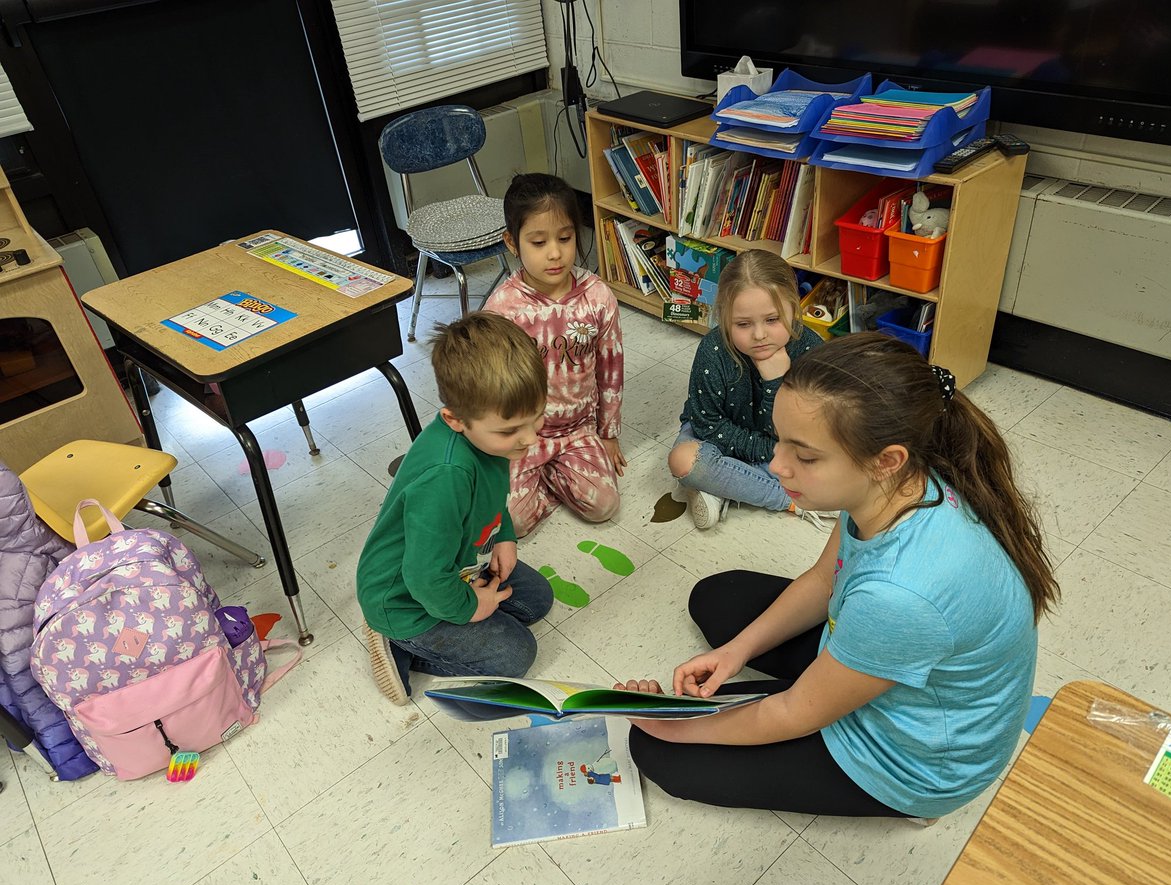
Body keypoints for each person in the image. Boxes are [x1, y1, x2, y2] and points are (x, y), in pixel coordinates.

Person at [621, 333, 1058, 820]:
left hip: (915, 761)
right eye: (780, 440)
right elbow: (825, 581)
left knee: (656, 749)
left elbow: (794, 714)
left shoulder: (901, 595)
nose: (776, 465)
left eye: (805, 457)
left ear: (884, 459)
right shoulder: (902, 483)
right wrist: (734, 652)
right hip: (875, 647)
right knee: (717, 599)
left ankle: (908, 802)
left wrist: (672, 727)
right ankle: (808, 674)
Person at [356, 312, 554, 705]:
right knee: (516, 656)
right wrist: (470, 607)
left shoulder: (488, 437)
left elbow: (493, 498)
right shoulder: (445, 478)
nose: (530, 438)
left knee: (537, 600)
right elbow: (424, 576)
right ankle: (398, 642)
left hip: (458, 564)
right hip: (406, 598)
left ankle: (456, 615)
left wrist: (505, 537)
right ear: (454, 420)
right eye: (510, 430)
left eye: (536, 419)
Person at [484, 172, 624, 537]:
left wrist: (608, 434)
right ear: (512, 243)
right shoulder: (503, 309)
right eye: (538, 241)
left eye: (565, 238)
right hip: (524, 436)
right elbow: (492, 386)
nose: (554, 253)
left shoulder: (597, 297)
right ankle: (547, 482)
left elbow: (611, 369)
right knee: (509, 524)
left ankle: (555, 477)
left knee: (604, 505)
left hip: (579, 430)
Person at [667, 249, 826, 530]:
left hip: (784, 443)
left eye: (772, 320)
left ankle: (727, 485)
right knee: (683, 460)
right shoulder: (713, 350)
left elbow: (806, 430)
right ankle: (786, 499)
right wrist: (771, 451)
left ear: (794, 308)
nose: (759, 335)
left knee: (828, 461)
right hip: (725, 436)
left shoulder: (811, 348)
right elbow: (707, 425)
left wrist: (777, 381)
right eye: (742, 324)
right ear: (724, 318)